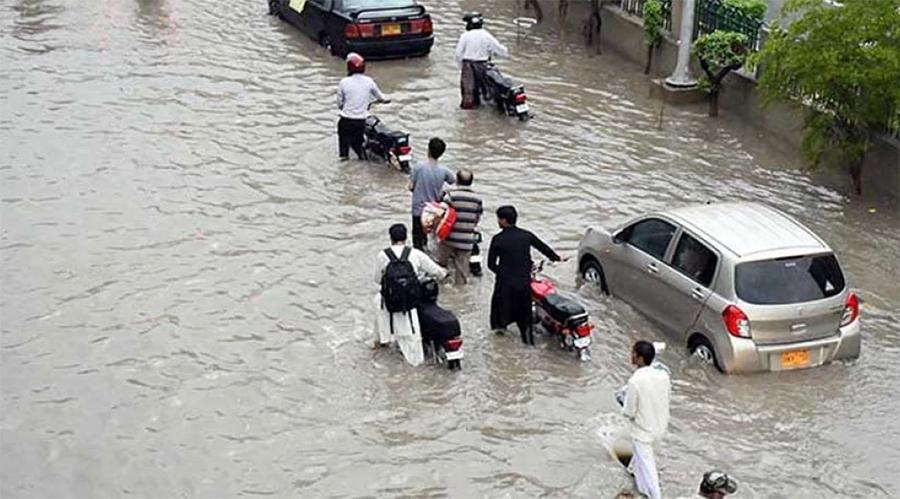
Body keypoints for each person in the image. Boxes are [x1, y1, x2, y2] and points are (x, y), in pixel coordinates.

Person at [373, 224, 447, 366]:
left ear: (390, 238)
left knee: (381, 326)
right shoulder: (415, 253)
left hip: (387, 302)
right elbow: (436, 271)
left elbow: (377, 279)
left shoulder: (382, 255)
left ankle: (382, 346)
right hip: (408, 304)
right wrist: (444, 273)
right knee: (413, 342)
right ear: (406, 237)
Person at [487, 205, 560, 345]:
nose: (497, 221)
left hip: (504, 285)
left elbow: (491, 264)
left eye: (498, 219)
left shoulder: (498, 239)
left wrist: (503, 273)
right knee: (525, 320)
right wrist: (557, 258)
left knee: (499, 321)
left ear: (503, 220)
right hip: (523, 284)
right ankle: (528, 344)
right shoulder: (526, 235)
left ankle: (499, 349)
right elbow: (544, 248)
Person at [622, 341, 672, 499]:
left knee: (648, 468)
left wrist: (623, 403)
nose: (631, 356)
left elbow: (629, 411)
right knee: (641, 460)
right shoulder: (663, 376)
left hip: (643, 432)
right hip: (660, 426)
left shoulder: (635, 381)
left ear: (640, 358)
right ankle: (638, 481)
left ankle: (655, 495)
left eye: (633, 353)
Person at [336, 52, 389, 160]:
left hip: (346, 120)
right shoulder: (369, 81)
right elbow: (380, 97)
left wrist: (345, 108)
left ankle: (344, 159)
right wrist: (385, 100)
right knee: (359, 147)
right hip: (360, 122)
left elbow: (340, 103)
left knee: (344, 151)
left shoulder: (344, 82)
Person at [408, 138, 455, 250]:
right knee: (433, 239)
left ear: (428, 150)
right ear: (441, 154)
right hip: (434, 212)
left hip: (418, 209)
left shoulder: (418, 167)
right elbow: (453, 181)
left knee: (417, 240)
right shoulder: (444, 171)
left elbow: (411, 187)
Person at [438, 169, 483, 284]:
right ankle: (460, 291)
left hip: (449, 238)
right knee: (462, 273)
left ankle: (443, 289)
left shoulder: (451, 195)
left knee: (442, 268)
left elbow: (441, 211)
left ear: (457, 180)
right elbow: (477, 219)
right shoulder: (477, 199)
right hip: (466, 240)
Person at [455, 12, 508, 109]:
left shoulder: (465, 36)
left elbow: (458, 54)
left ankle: (469, 113)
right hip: (483, 66)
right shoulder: (486, 35)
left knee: (468, 92)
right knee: (485, 90)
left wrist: (461, 66)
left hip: (468, 66)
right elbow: (501, 51)